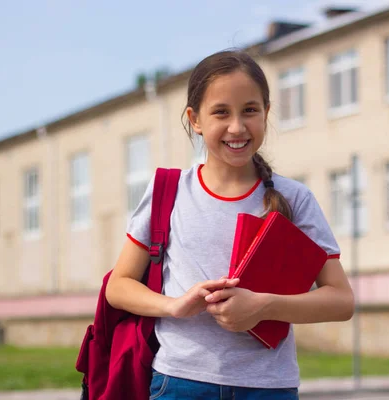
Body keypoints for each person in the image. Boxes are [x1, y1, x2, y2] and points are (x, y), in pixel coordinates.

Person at [106, 49, 354, 400]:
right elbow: (118, 286)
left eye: (250, 111)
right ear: (195, 119)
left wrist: (264, 306)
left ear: (266, 113)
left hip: (268, 388)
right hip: (179, 383)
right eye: (221, 112)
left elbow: (341, 301)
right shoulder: (169, 191)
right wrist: (173, 305)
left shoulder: (294, 198)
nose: (237, 127)